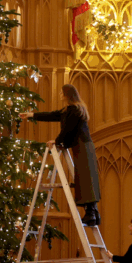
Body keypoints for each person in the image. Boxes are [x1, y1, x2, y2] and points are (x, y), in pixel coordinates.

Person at [21, 84, 102, 226]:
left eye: (61, 92)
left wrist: (57, 141)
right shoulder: (69, 110)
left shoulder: (75, 110)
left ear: (67, 94)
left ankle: (91, 214)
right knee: (85, 178)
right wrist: (31, 115)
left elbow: (67, 130)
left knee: (85, 179)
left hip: (82, 145)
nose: (59, 94)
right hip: (81, 145)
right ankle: (93, 213)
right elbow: (53, 115)